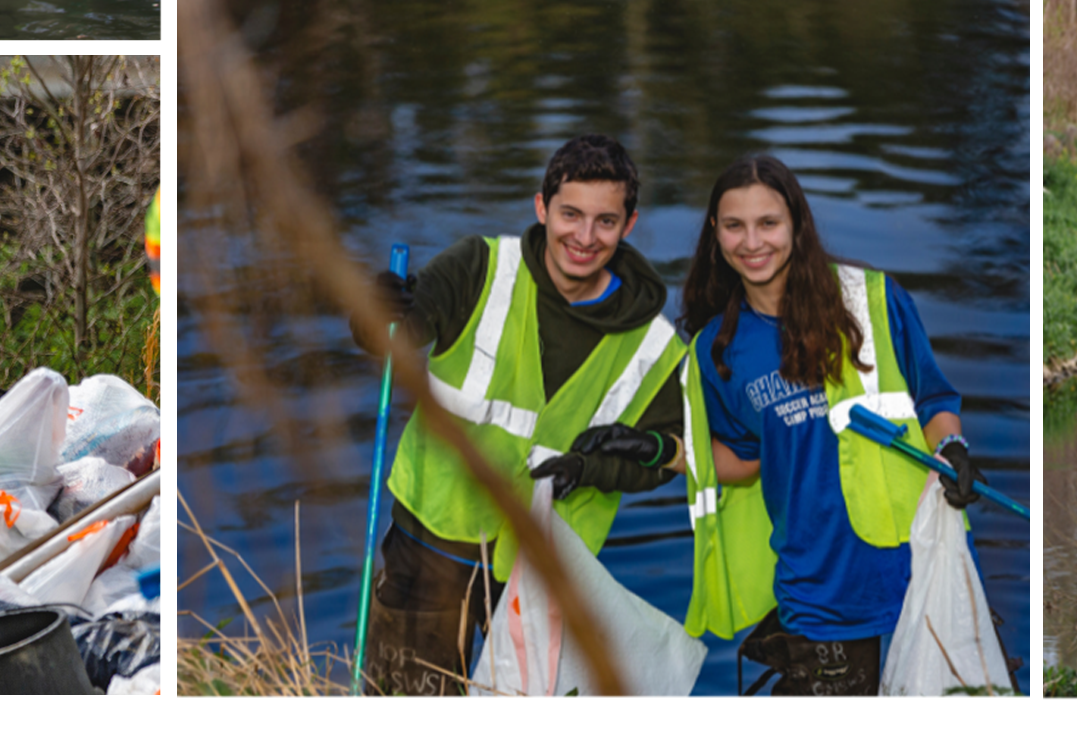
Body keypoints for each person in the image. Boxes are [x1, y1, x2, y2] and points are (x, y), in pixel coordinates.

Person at [601, 154, 977, 695]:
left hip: (922, 576)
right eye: (735, 226)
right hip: (815, 594)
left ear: (796, 224)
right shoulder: (717, 348)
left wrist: (955, 449)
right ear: (716, 232)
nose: (752, 242)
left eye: (768, 223)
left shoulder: (872, 300)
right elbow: (744, 459)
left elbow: (934, 401)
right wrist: (658, 449)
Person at [360, 135, 689, 696]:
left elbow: (669, 457)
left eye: (605, 221)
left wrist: (594, 470)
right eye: (570, 215)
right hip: (431, 547)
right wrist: (375, 309)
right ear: (542, 208)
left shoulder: (656, 348)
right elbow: (395, 335)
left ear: (628, 225)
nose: (584, 238)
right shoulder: (480, 268)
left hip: (549, 572)